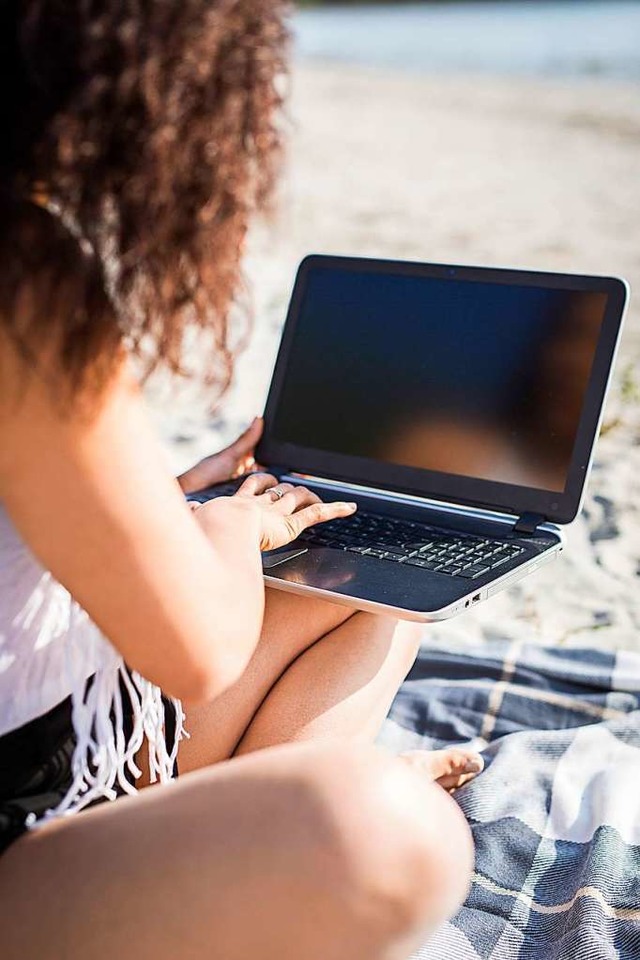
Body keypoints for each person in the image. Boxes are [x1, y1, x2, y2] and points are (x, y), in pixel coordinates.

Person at [0, 3, 483, 957]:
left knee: (380, 598)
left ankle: (260, 818)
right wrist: (226, 524)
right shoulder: (25, 281)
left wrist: (154, 495)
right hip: (31, 812)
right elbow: (201, 653)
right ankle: (285, 817)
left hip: (49, 740)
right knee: (393, 835)